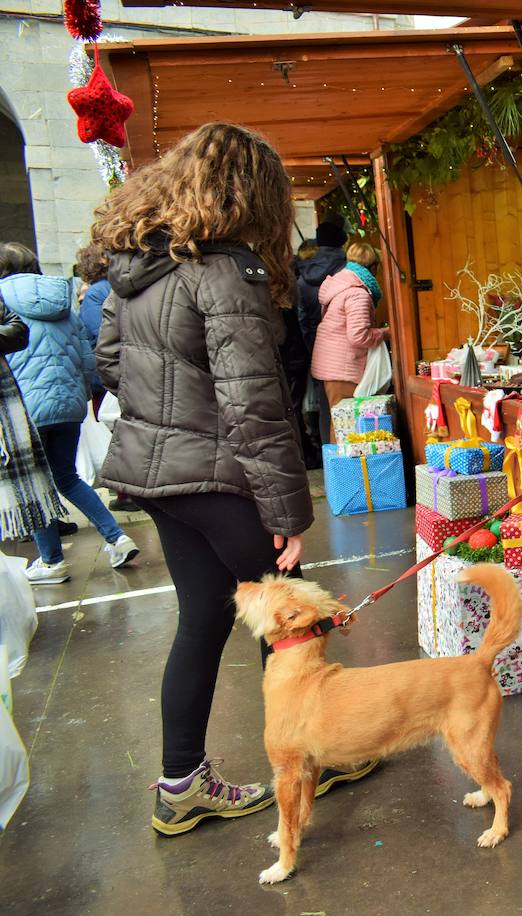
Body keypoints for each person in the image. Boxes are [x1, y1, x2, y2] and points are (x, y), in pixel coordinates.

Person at [89, 123, 373, 836]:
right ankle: (324, 751)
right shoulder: (226, 271)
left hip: (157, 479)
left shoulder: (136, 270)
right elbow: (252, 403)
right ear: (253, 196)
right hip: (217, 476)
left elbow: (112, 364)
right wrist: (287, 511)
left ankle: (181, 785)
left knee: (206, 617)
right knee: (293, 617)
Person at [0, 243, 139, 583]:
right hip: (69, 403)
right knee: (66, 477)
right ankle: (117, 537)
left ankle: (51, 560)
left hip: (26, 410)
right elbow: (85, 354)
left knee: (37, 485)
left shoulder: (3, 300)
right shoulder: (59, 297)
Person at [73, 242, 139, 511]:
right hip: (134, 374)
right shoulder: (122, 286)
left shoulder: (96, 294)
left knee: (115, 435)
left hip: (109, 378)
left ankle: (125, 493)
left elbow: (102, 339)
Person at [0, 295, 66, 546]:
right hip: (51, 399)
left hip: (20, 407)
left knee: (42, 480)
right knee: (58, 477)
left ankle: (52, 557)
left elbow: (18, 331)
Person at [311, 241, 388, 442]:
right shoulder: (358, 293)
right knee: (345, 424)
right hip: (343, 366)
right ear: (373, 267)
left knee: (338, 421)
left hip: (333, 363)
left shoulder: (341, 284)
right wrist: (385, 333)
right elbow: (359, 336)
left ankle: (338, 470)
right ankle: (344, 472)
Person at [297, 222, 347, 451]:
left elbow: (302, 318)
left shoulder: (302, 276)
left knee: (325, 406)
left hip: (316, 345)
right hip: (345, 349)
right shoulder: (346, 270)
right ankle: (349, 461)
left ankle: (329, 456)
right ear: (342, 240)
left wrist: (311, 346)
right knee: (346, 405)